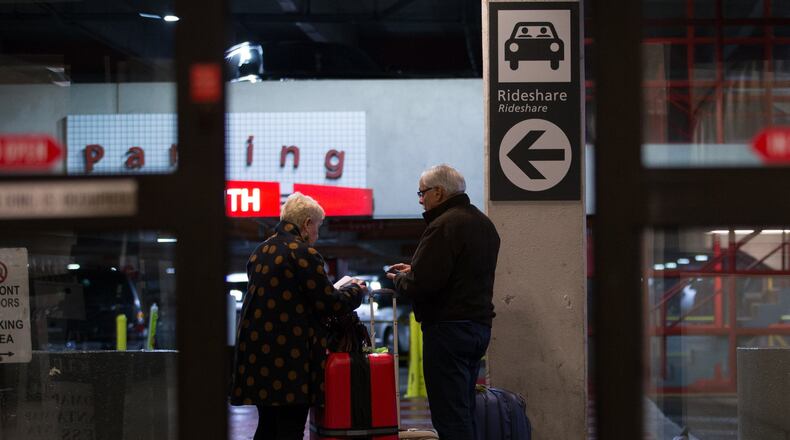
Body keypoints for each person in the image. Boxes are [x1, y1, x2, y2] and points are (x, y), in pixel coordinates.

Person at [230, 192, 367, 440]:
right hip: (289, 360)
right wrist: (356, 290)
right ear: (306, 224)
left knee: (268, 426)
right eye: (317, 227)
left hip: (257, 356)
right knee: (291, 429)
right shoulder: (303, 254)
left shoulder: (260, 251)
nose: (317, 234)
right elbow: (329, 303)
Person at [387, 164, 500, 440]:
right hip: (478, 328)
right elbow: (455, 273)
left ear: (438, 192)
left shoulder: (444, 225)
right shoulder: (484, 224)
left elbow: (422, 285)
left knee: (450, 416)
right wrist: (416, 269)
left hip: (448, 331)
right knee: (465, 409)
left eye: (422, 192)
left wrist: (400, 279)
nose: (420, 199)